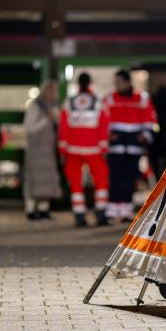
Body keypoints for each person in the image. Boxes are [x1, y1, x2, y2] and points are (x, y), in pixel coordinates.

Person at [103, 70, 157, 222]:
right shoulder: (109, 99)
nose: (117, 85)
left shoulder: (142, 98)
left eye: (119, 82)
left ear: (127, 82)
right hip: (115, 143)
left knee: (131, 178)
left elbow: (150, 119)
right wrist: (106, 136)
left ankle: (126, 209)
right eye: (116, 82)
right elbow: (103, 119)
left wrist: (145, 136)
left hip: (134, 143)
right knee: (114, 177)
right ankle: (112, 210)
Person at [58, 72, 110, 227]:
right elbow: (104, 124)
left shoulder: (69, 102)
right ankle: (101, 214)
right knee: (100, 180)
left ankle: (79, 216)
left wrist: (63, 147)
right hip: (94, 148)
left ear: (78, 84)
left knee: (75, 182)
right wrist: (103, 146)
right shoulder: (98, 101)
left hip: (73, 149)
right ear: (90, 83)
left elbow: (64, 126)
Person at [23, 80, 63, 220]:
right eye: (51, 90)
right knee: (34, 179)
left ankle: (44, 209)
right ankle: (30, 209)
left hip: (48, 148)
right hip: (36, 148)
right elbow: (29, 128)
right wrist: (47, 119)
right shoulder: (36, 105)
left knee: (47, 180)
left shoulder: (54, 106)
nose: (53, 93)